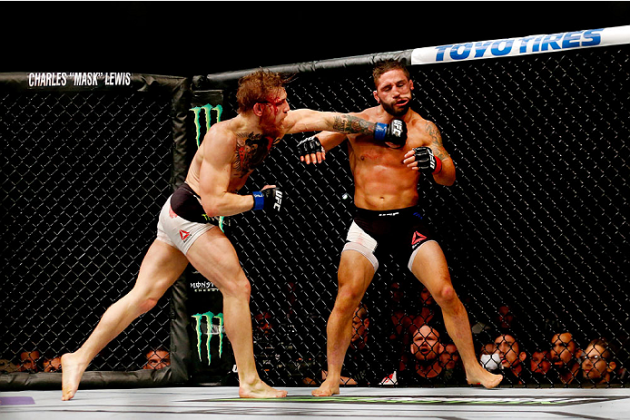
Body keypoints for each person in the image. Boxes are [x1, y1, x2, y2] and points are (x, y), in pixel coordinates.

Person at [60, 69, 407, 401]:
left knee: (144, 297)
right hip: (190, 214)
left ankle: (78, 357)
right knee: (236, 286)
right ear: (260, 108)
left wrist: (380, 131)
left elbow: (331, 120)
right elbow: (214, 202)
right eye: (280, 102)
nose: (287, 107)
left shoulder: (280, 124)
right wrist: (258, 199)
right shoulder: (222, 138)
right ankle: (250, 380)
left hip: (178, 214)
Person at [300, 59, 503, 396]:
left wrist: (434, 162)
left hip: (408, 222)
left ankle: (472, 369)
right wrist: (313, 147)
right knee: (347, 297)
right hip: (367, 224)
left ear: (412, 86)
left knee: (446, 292)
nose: (396, 92)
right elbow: (321, 139)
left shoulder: (425, 129)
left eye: (401, 85)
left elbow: (449, 176)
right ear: (376, 93)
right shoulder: (359, 122)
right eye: (388, 87)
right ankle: (332, 377)